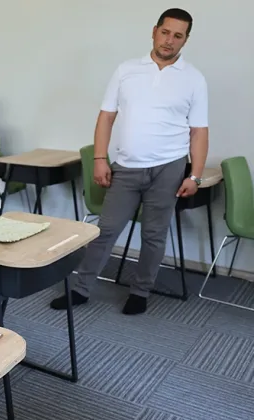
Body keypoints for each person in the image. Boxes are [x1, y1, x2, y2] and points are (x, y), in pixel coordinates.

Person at [49, 8, 208, 315]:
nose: (169, 40)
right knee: (106, 230)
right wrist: (99, 158)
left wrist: (196, 175)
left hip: (169, 167)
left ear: (185, 40)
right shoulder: (126, 70)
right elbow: (106, 117)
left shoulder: (194, 79)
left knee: (153, 233)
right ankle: (81, 289)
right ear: (154, 31)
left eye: (178, 36)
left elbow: (199, 131)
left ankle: (140, 291)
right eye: (165, 32)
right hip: (127, 166)